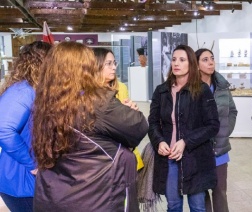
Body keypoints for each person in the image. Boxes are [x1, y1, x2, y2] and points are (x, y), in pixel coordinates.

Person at [32, 42, 148, 211]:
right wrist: (130, 111)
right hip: (94, 197)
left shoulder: (47, 102)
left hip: (53, 195)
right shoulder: (97, 103)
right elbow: (138, 127)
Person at [148, 44, 220, 212]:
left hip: (195, 158)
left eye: (182, 60)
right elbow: (152, 123)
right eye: (174, 59)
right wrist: (158, 141)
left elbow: (213, 125)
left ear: (191, 64)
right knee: (173, 206)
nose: (176, 63)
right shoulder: (161, 91)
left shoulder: (202, 90)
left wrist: (186, 142)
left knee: (197, 207)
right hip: (169, 158)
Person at [0, 41, 52, 212]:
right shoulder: (23, 90)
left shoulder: (35, 90)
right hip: (21, 183)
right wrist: (32, 162)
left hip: (30, 183)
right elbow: (4, 130)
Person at [195, 48, 238, 212]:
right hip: (199, 149)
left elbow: (232, 111)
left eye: (212, 58)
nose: (210, 62)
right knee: (200, 194)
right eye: (205, 59)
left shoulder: (222, 86)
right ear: (197, 64)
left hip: (220, 149)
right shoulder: (191, 88)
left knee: (220, 192)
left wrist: (225, 131)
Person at [93, 47, 144, 170]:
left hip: (126, 153)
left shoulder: (121, 87)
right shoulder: (88, 94)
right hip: (103, 160)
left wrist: (132, 111)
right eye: (108, 63)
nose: (114, 67)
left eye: (114, 63)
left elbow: (134, 126)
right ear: (95, 65)